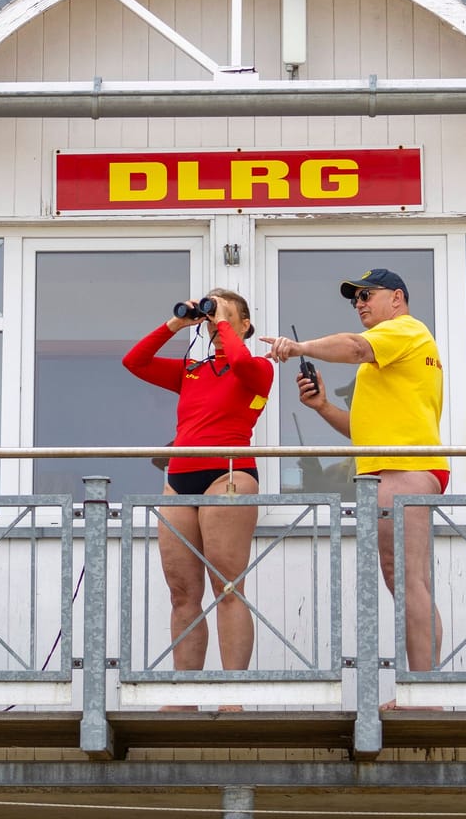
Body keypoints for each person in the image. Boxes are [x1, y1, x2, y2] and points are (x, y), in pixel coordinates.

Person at [259, 268, 445, 675]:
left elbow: (355, 347)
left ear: (397, 298)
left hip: (404, 469)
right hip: (394, 467)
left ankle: (424, 690)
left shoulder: (404, 330)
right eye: (354, 299)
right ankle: (421, 686)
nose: (359, 303)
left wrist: (297, 347)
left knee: (408, 579)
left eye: (366, 295)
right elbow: (362, 432)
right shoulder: (396, 347)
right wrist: (323, 407)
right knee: (403, 578)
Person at [122, 288, 274, 686]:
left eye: (225, 316)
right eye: (211, 317)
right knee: (182, 594)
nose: (215, 324)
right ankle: (185, 691)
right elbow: (134, 361)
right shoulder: (192, 371)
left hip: (228, 474)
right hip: (179, 479)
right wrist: (178, 322)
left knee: (227, 587)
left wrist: (224, 321)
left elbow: (240, 364)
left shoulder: (258, 366)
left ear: (245, 325)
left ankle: (232, 691)